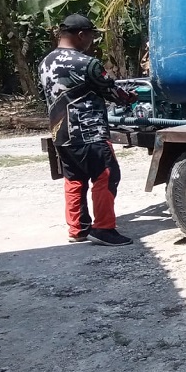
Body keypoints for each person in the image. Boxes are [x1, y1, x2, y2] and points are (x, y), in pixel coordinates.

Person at [38, 13, 136, 247]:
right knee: (106, 175)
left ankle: (77, 229)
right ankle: (103, 229)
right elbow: (113, 92)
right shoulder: (86, 63)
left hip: (61, 133)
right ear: (81, 35)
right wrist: (129, 97)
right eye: (91, 35)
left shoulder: (44, 63)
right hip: (89, 132)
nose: (92, 40)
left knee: (74, 179)